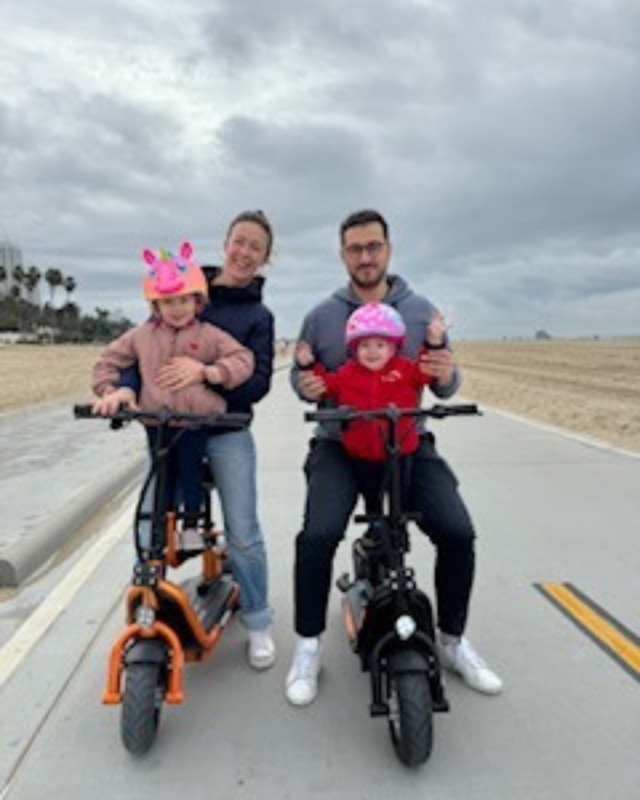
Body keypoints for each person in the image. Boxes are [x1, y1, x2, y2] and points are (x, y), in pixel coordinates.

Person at [286, 208, 503, 706]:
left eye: (373, 247)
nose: (365, 257)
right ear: (343, 255)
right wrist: (306, 383)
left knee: (457, 531)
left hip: (405, 441)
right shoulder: (320, 315)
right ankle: (307, 645)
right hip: (339, 444)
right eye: (355, 249)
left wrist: (447, 370)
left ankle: (452, 640)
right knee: (317, 536)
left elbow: (443, 382)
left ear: (388, 249)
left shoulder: (419, 308)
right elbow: (302, 379)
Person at [99, 211, 277, 670]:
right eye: (239, 241)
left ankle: (258, 622)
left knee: (244, 533)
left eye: (255, 246)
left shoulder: (257, 316)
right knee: (150, 519)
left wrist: (207, 372)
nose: (244, 252)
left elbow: (255, 382)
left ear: (265, 257)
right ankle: (149, 604)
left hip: (226, 430)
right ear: (226, 243)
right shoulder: (175, 282)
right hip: (166, 430)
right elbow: (133, 356)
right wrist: (119, 388)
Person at [295, 302, 444, 511]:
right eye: (365, 345)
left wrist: (434, 342)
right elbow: (325, 385)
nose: (372, 351)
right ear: (355, 350)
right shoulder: (347, 373)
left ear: (393, 348)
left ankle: (398, 527)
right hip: (362, 453)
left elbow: (427, 372)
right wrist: (308, 365)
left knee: (402, 497)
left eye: (380, 345)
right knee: (371, 498)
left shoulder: (405, 369)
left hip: (402, 450)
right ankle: (375, 526)